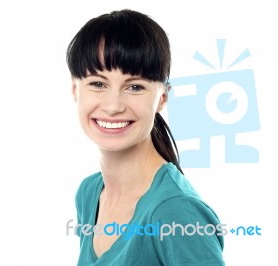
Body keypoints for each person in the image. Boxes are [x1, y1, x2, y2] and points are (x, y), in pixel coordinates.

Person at [66, 9, 225, 265]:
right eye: (98, 83)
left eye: (135, 87)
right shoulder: (89, 193)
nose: (113, 105)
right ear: (75, 89)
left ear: (162, 98)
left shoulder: (175, 210)